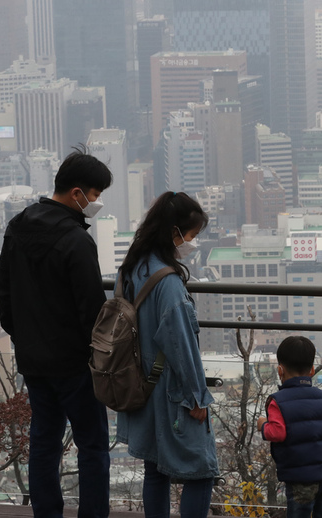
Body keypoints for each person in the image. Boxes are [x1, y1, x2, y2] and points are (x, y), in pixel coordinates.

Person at [0, 144, 114, 518]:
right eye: (94, 195)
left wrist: (22, 339)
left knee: (43, 442)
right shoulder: (77, 241)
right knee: (92, 445)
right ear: (77, 192)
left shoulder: (17, 226)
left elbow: (5, 294)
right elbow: (93, 310)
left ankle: (47, 513)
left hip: (33, 360)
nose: (95, 202)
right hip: (75, 364)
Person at [116, 191, 218, 518]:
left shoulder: (131, 269)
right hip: (173, 391)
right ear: (174, 232)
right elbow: (182, 346)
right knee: (202, 471)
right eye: (190, 235)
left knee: (155, 469)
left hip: (139, 384)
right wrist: (197, 397)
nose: (191, 242)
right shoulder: (169, 284)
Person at [258, 336, 322, 518]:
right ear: (312, 370)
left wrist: (263, 425)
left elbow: (277, 433)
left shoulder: (278, 401)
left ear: (280, 370)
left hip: (301, 478)